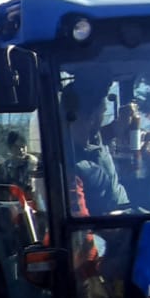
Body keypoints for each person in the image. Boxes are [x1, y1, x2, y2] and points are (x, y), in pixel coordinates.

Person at [62, 76, 129, 216]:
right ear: (92, 119)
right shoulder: (70, 168)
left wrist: (121, 126)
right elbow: (83, 228)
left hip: (128, 216)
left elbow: (101, 136)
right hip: (115, 228)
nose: (105, 117)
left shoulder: (92, 140)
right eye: (103, 112)